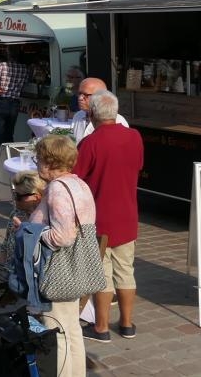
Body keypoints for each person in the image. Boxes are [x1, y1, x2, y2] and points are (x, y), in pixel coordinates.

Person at [74, 90, 143, 342]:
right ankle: (127, 324)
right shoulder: (134, 137)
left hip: (99, 216)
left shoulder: (90, 142)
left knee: (101, 274)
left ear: (92, 114)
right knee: (126, 270)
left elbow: (76, 177)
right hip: (127, 213)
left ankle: (101, 327)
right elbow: (138, 166)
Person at [28, 134, 96, 377]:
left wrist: (35, 232)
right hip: (77, 267)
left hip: (59, 269)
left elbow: (63, 236)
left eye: (38, 159)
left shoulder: (58, 188)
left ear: (49, 162)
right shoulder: (79, 183)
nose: (36, 164)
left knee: (56, 330)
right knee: (72, 328)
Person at [0, 47, 28, 164]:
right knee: (9, 136)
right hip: (14, 104)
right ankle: (10, 164)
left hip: (1, 102)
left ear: (8, 55)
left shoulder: (2, 65)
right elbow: (25, 84)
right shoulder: (24, 68)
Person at [1, 170, 45, 269]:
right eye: (14, 194)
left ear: (36, 197)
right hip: (9, 274)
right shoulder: (16, 213)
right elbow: (5, 246)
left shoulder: (44, 221)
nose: (14, 199)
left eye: (18, 196)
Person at [70, 77, 129, 143]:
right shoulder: (78, 116)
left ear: (100, 96)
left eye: (86, 95)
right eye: (79, 94)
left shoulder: (118, 121)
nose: (80, 98)